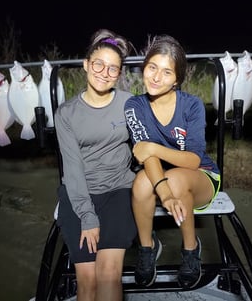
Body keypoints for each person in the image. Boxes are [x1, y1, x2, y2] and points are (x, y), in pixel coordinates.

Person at [124, 34, 220, 289]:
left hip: (200, 176)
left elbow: (193, 159)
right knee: (141, 184)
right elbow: (147, 158)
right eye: (152, 67)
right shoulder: (134, 105)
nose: (156, 77)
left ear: (177, 79)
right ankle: (147, 247)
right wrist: (164, 194)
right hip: (161, 178)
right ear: (144, 68)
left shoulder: (192, 105)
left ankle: (191, 249)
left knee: (176, 178)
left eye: (167, 72)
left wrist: (154, 147)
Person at [54, 29, 137, 301]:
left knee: (109, 273)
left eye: (113, 68)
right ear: (86, 65)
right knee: (88, 282)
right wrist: (87, 215)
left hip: (117, 190)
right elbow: (73, 169)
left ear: (120, 73)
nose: (104, 72)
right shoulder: (66, 113)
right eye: (98, 64)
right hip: (80, 194)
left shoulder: (130, 105)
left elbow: (149, 145)